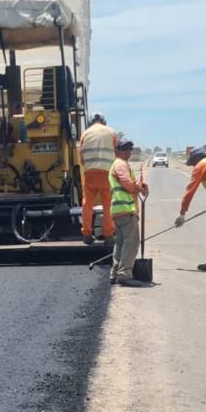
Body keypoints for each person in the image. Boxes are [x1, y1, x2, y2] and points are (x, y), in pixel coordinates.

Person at [109, 135, 148, 286]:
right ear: (117, 151)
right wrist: (139, 189)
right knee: (131, 242)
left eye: (130, 149)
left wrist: (138, 186)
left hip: (118, 210)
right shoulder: (120, 164)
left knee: (120, 243)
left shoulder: (119, 164)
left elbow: (127, 183)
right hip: (125, 209)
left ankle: (115, 273)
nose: (129, 152)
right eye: (126, 149)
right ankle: (124, 274)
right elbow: (127, 184)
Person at [79, 112, 116, 243]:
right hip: (107, 173)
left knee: (87, 204)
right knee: (108, 204)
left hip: (90, 173)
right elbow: (117, 154)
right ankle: (109, 235)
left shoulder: (85, 134)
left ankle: (87, 234)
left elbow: (81, 159)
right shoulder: (111, 132)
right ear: (103, 121)